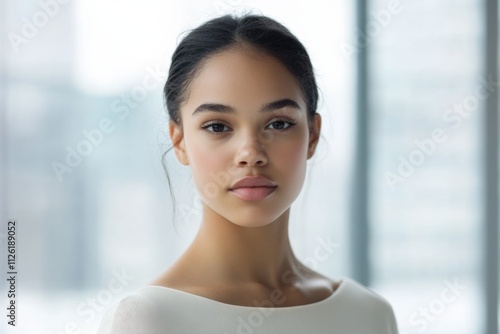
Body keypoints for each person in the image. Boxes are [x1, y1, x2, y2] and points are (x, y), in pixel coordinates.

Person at [97, 13, 399, 334]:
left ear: (312, 135)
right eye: (217, 126)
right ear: (180, 141)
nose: (250, 153)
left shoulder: (368, 314)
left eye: (278, 124)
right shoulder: (146, 320)